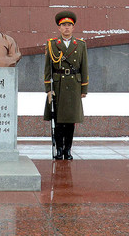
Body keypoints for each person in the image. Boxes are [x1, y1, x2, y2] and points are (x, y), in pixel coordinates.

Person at [43, 11, 88, 160]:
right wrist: (48, 90)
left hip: (74, 85)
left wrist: (84, 89)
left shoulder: (80, 45)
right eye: (64, 25)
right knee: (58, 120)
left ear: (73, 28)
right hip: (58, 85)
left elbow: (84, 67)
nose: (66, 28)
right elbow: (47, 69)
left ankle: (68, 149)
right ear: (59, 28)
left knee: (70, 121)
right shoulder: (52, 44)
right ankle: (59, 149)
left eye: (69, 25)